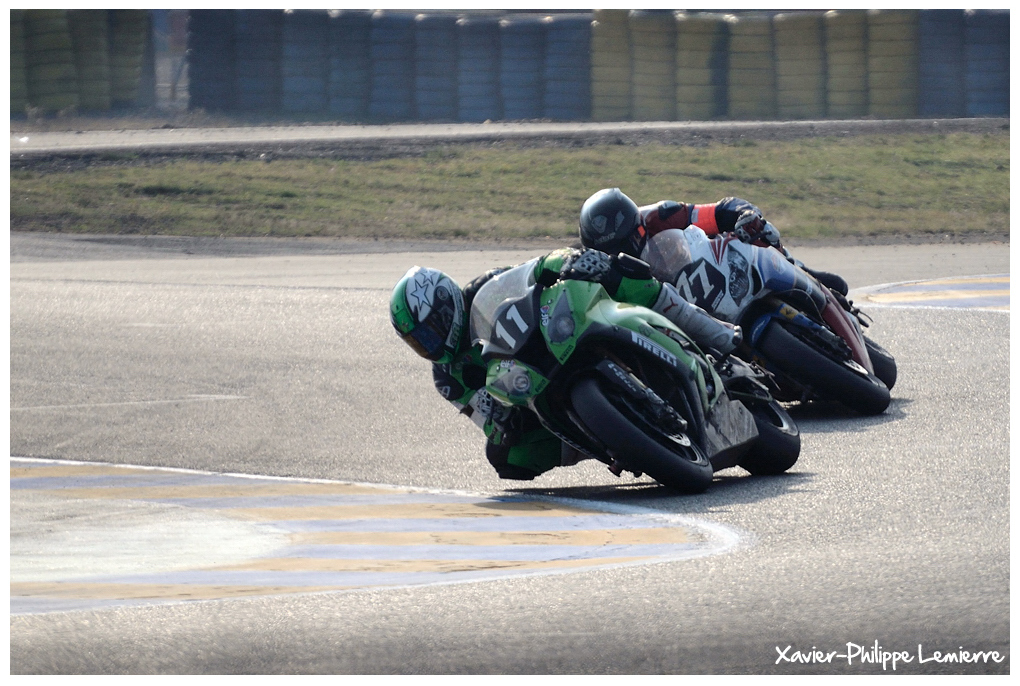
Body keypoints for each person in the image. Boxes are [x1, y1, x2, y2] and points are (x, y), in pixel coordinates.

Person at [389, 247, 742, 481]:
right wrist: (499, 423)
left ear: (447, 302)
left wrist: (569, 262)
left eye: (431, 330)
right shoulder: (448, 378)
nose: (430, 344)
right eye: (419, 342)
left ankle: (718, 334)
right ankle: (612, 441)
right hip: (527, 394)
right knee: (507, 458)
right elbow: (484, 417)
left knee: (625, 275)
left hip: (553, 336)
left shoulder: (484, 288)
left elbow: (534, 270)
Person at [578, 188, 848, 295]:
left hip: (711, 268)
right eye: (615, 250)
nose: (626, 251)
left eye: (630, 239)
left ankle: (801, 271)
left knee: (754, 232)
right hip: (678, 304)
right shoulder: (598, 272)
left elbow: (719, 210)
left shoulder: (660, 216)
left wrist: (744, 215)